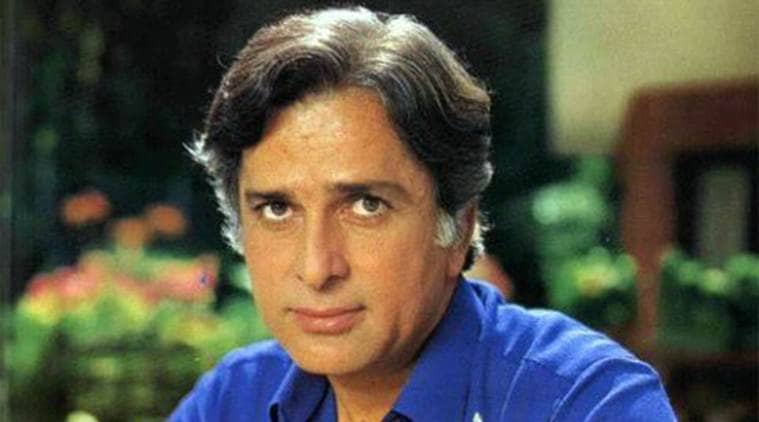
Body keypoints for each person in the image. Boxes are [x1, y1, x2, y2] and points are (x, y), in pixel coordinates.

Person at [171, 6, 675, 421]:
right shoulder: (235, 398)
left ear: (459, 227)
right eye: (278, 209)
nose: (318, 268)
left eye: (366, 206)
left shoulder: (585, 403)